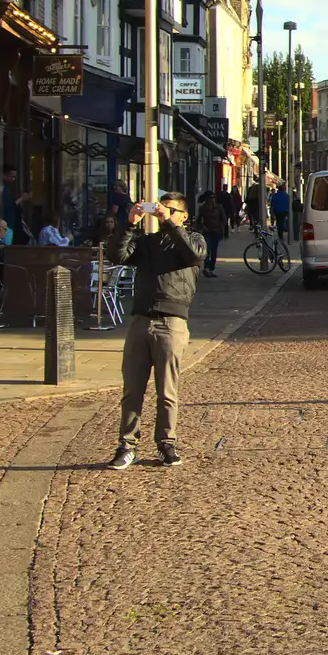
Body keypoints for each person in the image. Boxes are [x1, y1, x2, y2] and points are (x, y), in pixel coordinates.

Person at [106, 193, 207, 470]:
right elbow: (117, 254)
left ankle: (166, 443)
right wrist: (129, 223)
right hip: (140, 319)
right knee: (132, 389)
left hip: (171, 322)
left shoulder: (194, 239)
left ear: (184, 216)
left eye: (172, 210)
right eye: (161, 209)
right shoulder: (148, 243)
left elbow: (193, 256)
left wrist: (170, 224)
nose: (164, 213)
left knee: (167, 390)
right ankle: (126, 446)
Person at [197, 191, 226, 277]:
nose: (212, 200)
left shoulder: (219, 207)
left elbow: (223, 219)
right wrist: (202, 227)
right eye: (210, 198)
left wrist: (221, 229)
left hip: (216, 231)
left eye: (213, 198)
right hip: (207, 232)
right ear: (206, 199)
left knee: (214, 251)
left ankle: (211, 268)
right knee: (207, 249)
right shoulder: (203, 208)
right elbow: (199, 220)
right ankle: (206, 268)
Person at [1, 165, 29, 244]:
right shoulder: (2, 190)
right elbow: (8, 206)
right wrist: (21, 199)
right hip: (6, 225)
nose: (13, 179)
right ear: (4, 175)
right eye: (11, 176)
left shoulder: (6, 189)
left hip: (9, 224)